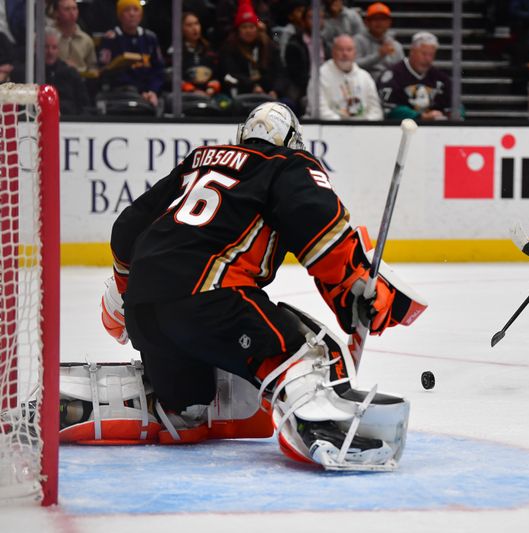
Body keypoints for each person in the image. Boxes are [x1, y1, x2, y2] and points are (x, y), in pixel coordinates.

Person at [85, 102, 427, 470]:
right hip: (207, 301)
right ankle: (324, 429)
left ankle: (170, 406)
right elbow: (321, 230)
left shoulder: (200, 160)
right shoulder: (286, 164)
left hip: (142, 312)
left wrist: (123, 288)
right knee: (308, 350)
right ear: (292, 141)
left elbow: (127, 229)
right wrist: (357, 283)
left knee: (191, 403)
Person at [97, 0, 165, 107]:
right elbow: (105, 70)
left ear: (141, 14)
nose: (132, 14)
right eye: (127, 10)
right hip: (122, 93)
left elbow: (158, 70)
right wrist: (139, 91)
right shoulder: (111, 39)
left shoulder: (150, 38)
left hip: (149, 93)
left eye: (136, 10)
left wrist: (153, 90)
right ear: (120, 15)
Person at [218, 0, 288, 99]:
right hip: (242, 93)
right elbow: (229, 75)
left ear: (257, 28)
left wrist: (276, 91)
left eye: (251, 27)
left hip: (269, 92)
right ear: (238, 30)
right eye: (244, 27)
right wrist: (252, 86)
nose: (248, 31)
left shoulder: (269, 46)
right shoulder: (229, 48)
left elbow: (280, 73)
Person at [377, 31, 451, 120]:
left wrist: (451, 114)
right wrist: (420, 117)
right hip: (399, 129)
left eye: (431, 55)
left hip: (435, 130)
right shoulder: (393, 75)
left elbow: (455, 106)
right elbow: (389, 109)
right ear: (412, 51)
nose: (428, 59)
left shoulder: (441, 78)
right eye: (424, 54)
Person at [315, 34, 383, 120]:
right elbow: (320, 110)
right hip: (330, 128)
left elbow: (376, 111)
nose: (345, 54)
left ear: (355, 53)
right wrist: (343, 126)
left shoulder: (365, 77)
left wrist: (365, 126)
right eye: (340, 49)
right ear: (333, 52)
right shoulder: (320, 75)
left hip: (363, 128)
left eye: (349, 50)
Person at [169, 11, 221, 97]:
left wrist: (212, 88)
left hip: (210, 94)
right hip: (185, 95)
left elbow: (217, 75)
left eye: (196, 24)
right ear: (181, 29)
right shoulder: (175, 52)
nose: (195, 28)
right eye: (189, 25)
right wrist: (191, 90)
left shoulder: (209, 50)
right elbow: (171, 77)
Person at [44, 27, 90, 115]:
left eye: (54, 47)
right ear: (36, 48)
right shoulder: (29, 73)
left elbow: (84, 105)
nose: (50, 52)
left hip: (68, 121)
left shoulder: (70, 72)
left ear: (58, 49)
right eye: (46, 47)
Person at [354, 2, 404, 81]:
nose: (379, 22)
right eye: (375, 19)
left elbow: (401, 70)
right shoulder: (358, 41)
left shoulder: (395, 45)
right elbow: (353, 65)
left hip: (390, 86)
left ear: (389, 22)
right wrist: (379, 55)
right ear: (367, 22)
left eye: (383, 19)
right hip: (364, 83)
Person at [52, 0, 98, 76]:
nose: (72, 12)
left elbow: (92, 67)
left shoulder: (86, 40)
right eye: (67, 9)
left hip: (81, 81)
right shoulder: (49, 38)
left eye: (74, 8)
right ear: (56, 13)